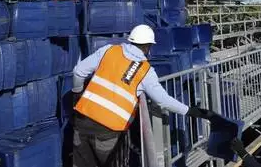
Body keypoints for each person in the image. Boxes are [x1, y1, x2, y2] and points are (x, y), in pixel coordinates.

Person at [71, 25, 212, 167]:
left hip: (83, 119)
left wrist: (77, 94)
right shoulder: (146, 71)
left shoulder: (109, 50)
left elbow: (78, 72)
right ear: (148, 47)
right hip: (109, 130)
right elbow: (163, 101)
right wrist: (189, 110)